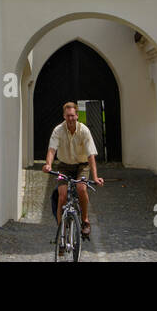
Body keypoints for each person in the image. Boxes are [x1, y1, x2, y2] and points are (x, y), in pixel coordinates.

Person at [43, 101, 104, 241]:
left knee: (81, 188)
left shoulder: (84, 131)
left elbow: (90, 156)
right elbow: (52, 149)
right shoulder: (58, 130)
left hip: (82, 166)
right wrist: (48, 165)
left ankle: (85, 221)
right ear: (64, 116)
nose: (70, 118)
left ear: (77, 116)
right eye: (67, 115)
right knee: (62, 195)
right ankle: (61, 232)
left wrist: (95, 177)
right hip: (64, 166)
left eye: (72, 115)